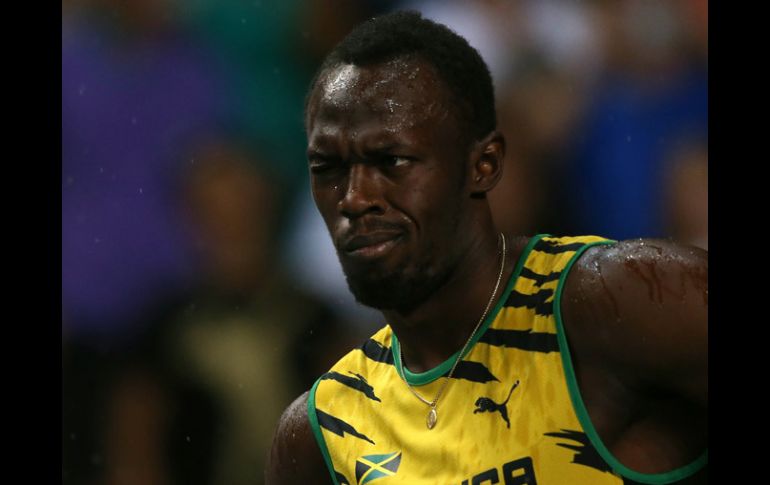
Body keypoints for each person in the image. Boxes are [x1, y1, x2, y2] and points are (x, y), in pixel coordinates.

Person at [266, 11, 707, 485]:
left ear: (484, 165)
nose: (354, 197)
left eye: (390, 159)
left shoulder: (621, 301)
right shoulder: (321, 434)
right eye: (328, 167)